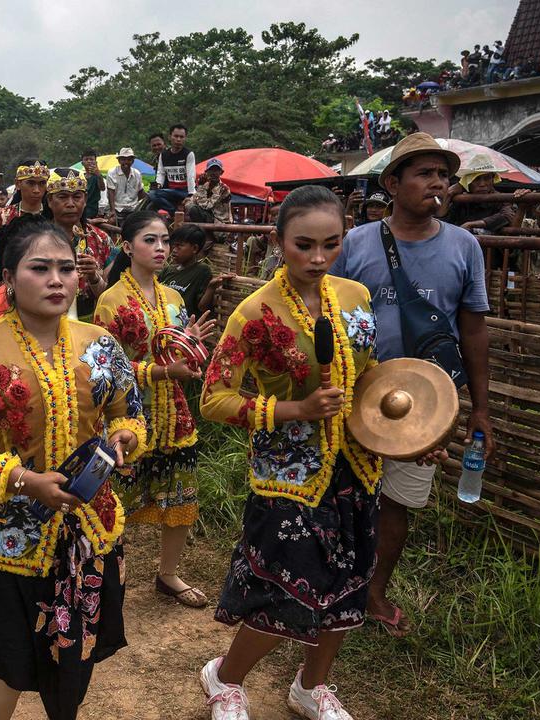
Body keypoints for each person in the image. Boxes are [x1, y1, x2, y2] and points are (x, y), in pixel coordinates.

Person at [198, 185, 427, 720]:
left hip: (357, 467)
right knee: (284, 590)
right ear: (277, 241)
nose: (318, 258)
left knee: (347, 587)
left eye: (331, 243)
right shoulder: (253, 314)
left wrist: (410, 432)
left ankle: (311, 686)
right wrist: (295, 411)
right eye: (304, 245)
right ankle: (224, 679)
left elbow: (370, 378)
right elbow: (214, 399)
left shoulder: (355, 297)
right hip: (288, 475)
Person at [0, 219, 146, 720]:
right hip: (6, 534)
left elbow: (130, 411)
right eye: (40, 268)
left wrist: (126, 437)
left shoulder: (101, 342)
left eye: (66, 269)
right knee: (2, 660)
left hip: (89, 529)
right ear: (8, 276)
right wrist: (24, 480)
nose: (57, 280)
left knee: (75, 655)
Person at [329, 133, 493, 637]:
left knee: (398, 499)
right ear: (392, 184)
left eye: (444, 175)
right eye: (424, 173)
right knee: (336, 491)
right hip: (353, 392)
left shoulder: (464, 246)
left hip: (423, 399)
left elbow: (473, 328)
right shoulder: (355, 243)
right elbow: (323, 313)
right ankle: (328, 584)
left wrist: (480, 408)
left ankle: (374, 593)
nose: (437, 183)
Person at [94, 210, 218, 610]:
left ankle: (167, 574)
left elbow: (174, 351)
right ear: (127, 247)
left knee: (180, 496)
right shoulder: (110, 301)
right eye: (150, 240)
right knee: (117, 500)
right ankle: (110, 575)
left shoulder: (175, 298)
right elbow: (106, 367)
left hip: (175, 414)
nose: (161, 248)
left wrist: (190, 346)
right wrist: (164, 370)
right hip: (128, 416)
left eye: (165, 240)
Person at [45, 169, 112, 319]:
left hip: (90, 323)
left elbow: (111, 296)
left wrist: (94, 277)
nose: (70, 204)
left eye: (77, 197)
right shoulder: (34, 240)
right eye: (62, 197)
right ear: (50, 200)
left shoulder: (101, 240)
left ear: (85, 199)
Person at [161, 223, 231, 318]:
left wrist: (211, 287)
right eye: (174, 246)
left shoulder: (201, 271)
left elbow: (202, 307)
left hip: (183, 325)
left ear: (194, 248)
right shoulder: (168, 270)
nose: (174, 250)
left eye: (179, 246)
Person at [150, 125, 196, 214]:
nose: (178, 139)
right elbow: (161, 173)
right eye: (176, 136)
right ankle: (174, 212)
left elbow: (191, 176)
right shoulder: (163, 155)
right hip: (170, 191)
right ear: (170, 137)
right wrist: (158, 185)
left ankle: (174, 213)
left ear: (185, 138)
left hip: (184, 191)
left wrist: (191, 194)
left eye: (181, 137)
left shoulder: (188, 154)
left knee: (154, 194)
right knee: (152, 194)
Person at [0, 159, 48, 230]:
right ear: (17, 184)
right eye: (31, 183)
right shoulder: (1, 217)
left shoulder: (55, 215)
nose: (36, 190)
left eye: (42, 183)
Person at [107, 147, 147, 224]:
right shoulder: (112, 172)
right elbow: (110, 192)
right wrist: (112, 210)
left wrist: (149, 197)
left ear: (132, 161)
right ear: (119, 161)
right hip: (118, 208)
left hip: (133, 208)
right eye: (123, 159)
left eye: (129, 159)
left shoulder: (137, 174)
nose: (126, 162)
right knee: (111, 222)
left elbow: (140, 192)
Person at [187, 159, 232, 225]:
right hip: (209, 218)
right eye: (211, 170)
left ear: (221, 172)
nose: (213, 173)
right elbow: (190, 202)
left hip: (220, 222)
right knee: (190, 206)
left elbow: (206, 206)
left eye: (216, 170)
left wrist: (201, 187)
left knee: (194, 210)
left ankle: (204, 233)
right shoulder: (205, 185)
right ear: (206, 172)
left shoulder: (224, 189)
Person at [80, 149, 105, 220]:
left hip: (91, 209)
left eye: (91, 159)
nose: (89, 161)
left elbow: (102, 188)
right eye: (86, 159)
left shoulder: (97, 176)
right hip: (81, 207)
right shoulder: (81, 176)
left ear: (95, 162)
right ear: (82, 163)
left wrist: (99, 175)